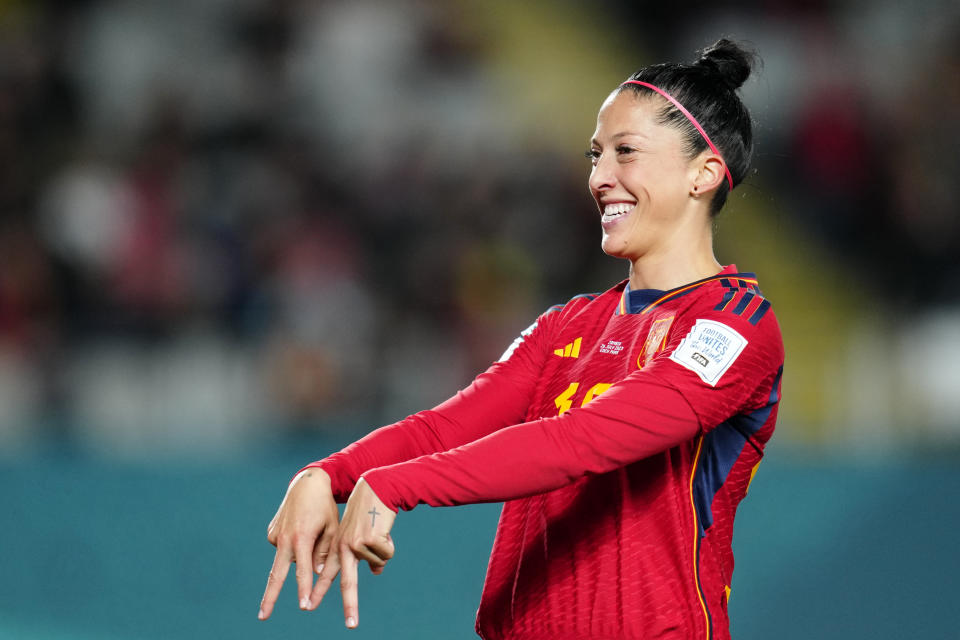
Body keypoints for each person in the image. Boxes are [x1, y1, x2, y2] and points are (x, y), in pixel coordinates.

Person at [258, 38, 784, 640]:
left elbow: (585, 440)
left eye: (625, 153)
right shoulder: (568, 324)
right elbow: (444, 427)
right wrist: (326, 474)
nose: (599, 177)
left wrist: (394, 485)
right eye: (594, 155)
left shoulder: (735, 325)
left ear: (704, 173)